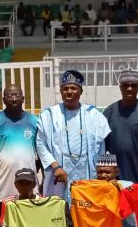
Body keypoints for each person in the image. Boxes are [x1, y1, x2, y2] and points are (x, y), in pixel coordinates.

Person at [37, 70, 111, 201]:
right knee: (60, 213)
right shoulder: (49, 115)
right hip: (59, 174)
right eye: (65, 88)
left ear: (81, 91)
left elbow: (101, 148)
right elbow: (41, 144)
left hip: (87, 174)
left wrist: (100, 175)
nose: (69, 91)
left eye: (73, 88)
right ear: (60, 91)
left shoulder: (94, 115)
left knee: (85, 211)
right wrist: (56, 167)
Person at [0, 85, 39, 200]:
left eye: (17, 95)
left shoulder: (34, 121)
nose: (13, 99)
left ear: (23, 99)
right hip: (3, 183)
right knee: (5, 216)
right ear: (3, 100)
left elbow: (40, 153)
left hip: (29, 183)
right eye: (10, 95)